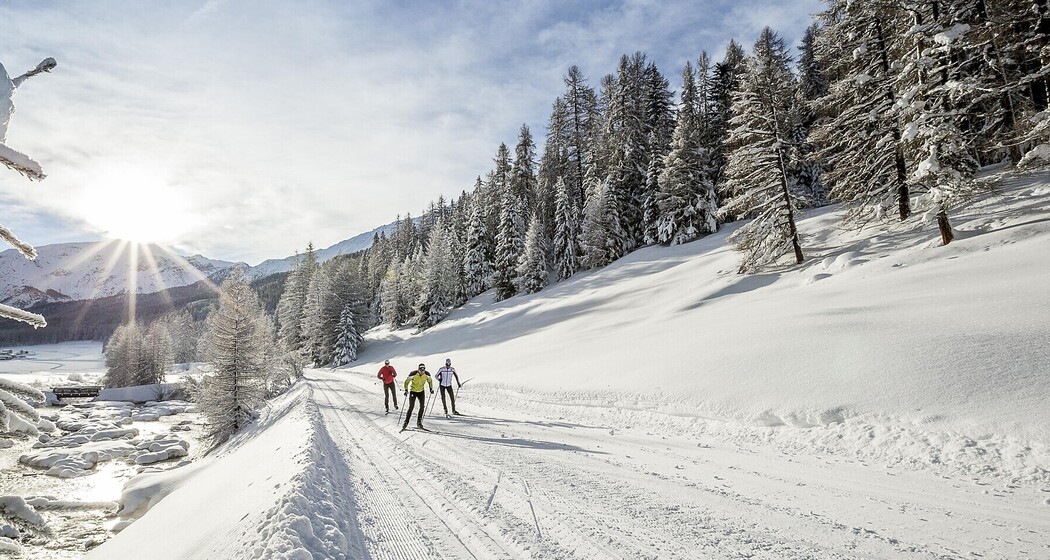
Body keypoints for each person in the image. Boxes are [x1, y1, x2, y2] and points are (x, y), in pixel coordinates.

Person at [401, 363, 434, 430]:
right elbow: (406, 382)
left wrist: (431, 389)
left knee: (422, 406)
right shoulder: (413, 373)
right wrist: (406, 390)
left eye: (423, 370)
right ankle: (406, 422)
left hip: (421, 392)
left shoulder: (427, 374)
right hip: (413, 391)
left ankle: (419, 422)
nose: (422, 371)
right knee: (411, 407)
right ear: (418, 369)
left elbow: (430, 381)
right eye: (420, 369)